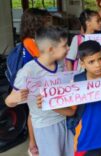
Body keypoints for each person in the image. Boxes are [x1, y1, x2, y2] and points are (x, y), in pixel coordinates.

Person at [5, 26, 73, 156]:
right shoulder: (28, 72)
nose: (68, 48)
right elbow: (9, 101)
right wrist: (15, 98)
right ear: (51, 49)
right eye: (65, 45)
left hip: (66, 119)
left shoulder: (61, 63)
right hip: (45, 126)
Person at [53, 40, 101, 156]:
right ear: (82, 64)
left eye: (100, 59)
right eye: (91, 62)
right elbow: (71, 111)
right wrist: (52, 105)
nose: (97, 64)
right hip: (86, 141)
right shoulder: (77, 82)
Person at [18, 8, 52, 156]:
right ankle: (33, 144)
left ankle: (35, 143)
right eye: (47, 21)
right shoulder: (31, 42)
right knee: (35, 113)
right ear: (37, 23)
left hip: (38, 82)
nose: (50, 25)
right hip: (36, 84)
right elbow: (46, 58)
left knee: (35, 113)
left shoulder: (29, 40)